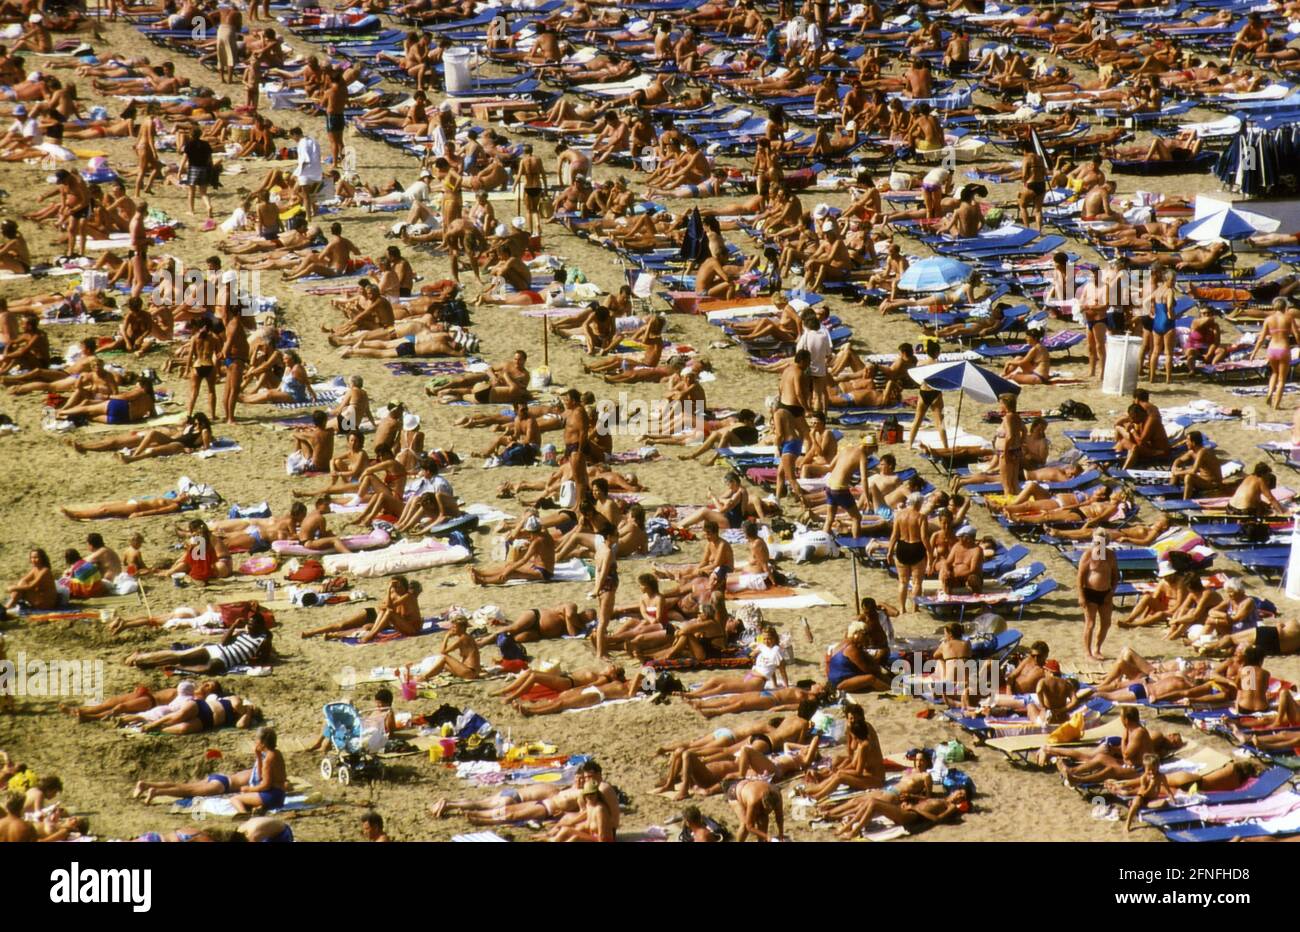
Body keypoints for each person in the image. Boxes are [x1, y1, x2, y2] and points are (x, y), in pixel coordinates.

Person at [1078, 530, 1117, 662]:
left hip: (1106, 593)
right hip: (1090, 592)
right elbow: (1080, 577)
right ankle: (1087, 652)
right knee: (1090, 624)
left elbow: (1115, 575)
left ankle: (1097, 649)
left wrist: (1111, 592)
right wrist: (1081, 596)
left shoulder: (1110, 555)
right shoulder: (1088, 555)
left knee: (1106, 623)